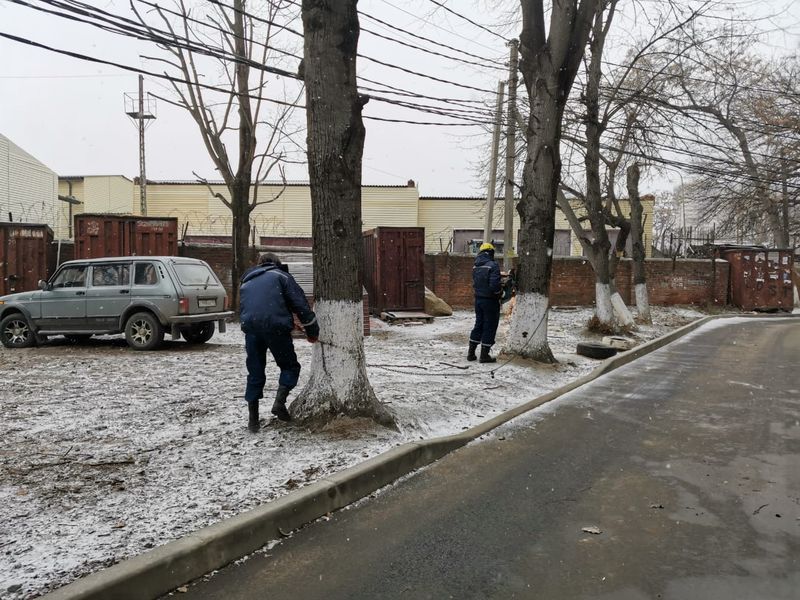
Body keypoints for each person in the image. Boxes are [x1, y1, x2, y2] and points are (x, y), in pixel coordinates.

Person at [239, 253, 319, 432]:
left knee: (255, 371)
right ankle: (279, 403)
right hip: (276, 329)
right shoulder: (282, 276)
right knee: (290, 366)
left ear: (260, 264)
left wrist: (284, 320)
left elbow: (250, 307)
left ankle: (253, 421)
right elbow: (301, 305)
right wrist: (312, 331)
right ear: (277, 263)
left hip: (251, 329)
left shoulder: (247, 279)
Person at [468, 242, 501, 363]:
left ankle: (471, 353)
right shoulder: (493, 265)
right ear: (491, 252)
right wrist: (499, 293)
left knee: (479, 324)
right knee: (489, 325)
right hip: (490, 301)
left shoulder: (475, 266)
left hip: (478, 300)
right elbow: (494, 285)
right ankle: (484, 355)